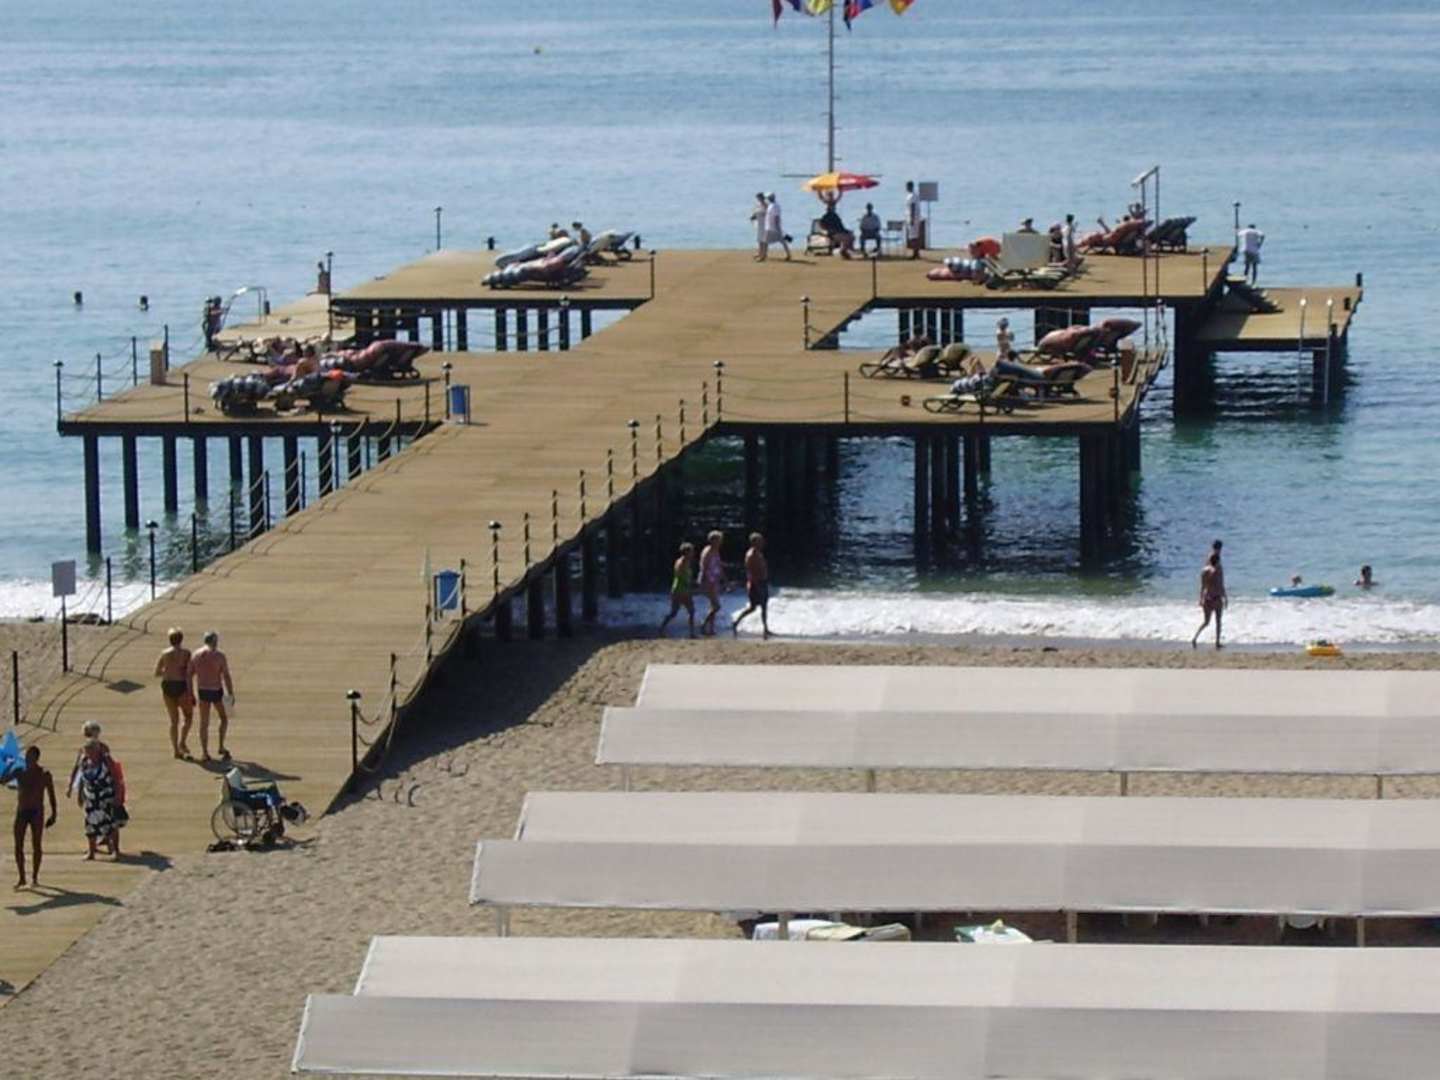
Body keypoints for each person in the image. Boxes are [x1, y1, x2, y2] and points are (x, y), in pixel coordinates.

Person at [68, 722, 125, 860]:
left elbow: (116, 776)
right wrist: (77, 791)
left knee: (111, 824)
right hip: (91, 798)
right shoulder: (84, 759)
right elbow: (80, 774)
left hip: (106, 796)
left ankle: (115, 850)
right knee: (91, 825)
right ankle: (91, 851)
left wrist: (118, 794)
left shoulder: (105, 757)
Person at [13, 746, 57, 889]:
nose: (27, 759)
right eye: (26, 756)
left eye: (31, 757)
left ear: (37, 758)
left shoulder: (44, 774)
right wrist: (8, 767)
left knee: (36, 844)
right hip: (22, 811)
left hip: (36, 812)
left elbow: (51, 795)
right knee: (18, 844)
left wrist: (54, 814)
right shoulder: (19, 772)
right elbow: (2, 779)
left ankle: (34, 877)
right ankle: (22, 878)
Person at [191, 630, 236, 762]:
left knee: (204, 723)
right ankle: (221, 745)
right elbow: (226, 675)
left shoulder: (196, 654)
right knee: (224, 717)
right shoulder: (220, 655)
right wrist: (231, 693)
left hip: (202, 690)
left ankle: (205, 752)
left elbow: (189, 674)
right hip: (216, 690)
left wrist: (190, 692)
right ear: (215, 641)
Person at [154, 627, 194, 760]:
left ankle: (176, 750)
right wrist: (191, 693)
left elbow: (157, 672)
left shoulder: (164, 653)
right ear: (181, 639)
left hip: (167, 685)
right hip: (181, 685)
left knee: (173, 721)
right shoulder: (186, 653)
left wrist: (168, 671)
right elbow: (189, 673)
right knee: (188, 717)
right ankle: (182, 741)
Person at [732, 533, 772, 639]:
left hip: (762, 582)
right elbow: (750, 572)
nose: (762, 543)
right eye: (760, 541)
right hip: (756, 583)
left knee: (763, 606)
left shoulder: (758, 553)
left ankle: (765, 628)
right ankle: (736, 622)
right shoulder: (751, 555)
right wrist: (756, 585)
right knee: (753, 607)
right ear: (754, 542)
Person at [659, 542, 697, 638]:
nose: (693, 553)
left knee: (677, 612)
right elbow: (680, 576)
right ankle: (691, 633)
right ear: (686, 552)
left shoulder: (685, 562)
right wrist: (688, 586)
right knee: (688, 611)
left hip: (681, 589)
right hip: (680, 590)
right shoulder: (681, 563)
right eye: (691, 551)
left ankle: (662, 628)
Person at [1191, 552, 1228, 649]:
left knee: (1206, 622)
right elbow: (1221, 585)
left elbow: (1202, 587)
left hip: (1207, 598)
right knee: (1218, 621)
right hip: (1216, 599)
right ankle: (1217, 642)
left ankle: (1195, 637)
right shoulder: (1218, 571)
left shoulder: (1204, 571)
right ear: (1218, 561)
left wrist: (1201, 599)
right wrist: (1225, 598)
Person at [699, 531, 726, 636]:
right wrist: (703, 581)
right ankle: (703, 625)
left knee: (713, 606)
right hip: (708, 581)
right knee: (716, 606)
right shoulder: (708, 551)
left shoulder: (716, 551)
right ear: (713, 540)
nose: (720, 542)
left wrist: (724, 579)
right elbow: (704, 567)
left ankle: (711, 628)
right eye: (719, 540)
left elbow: (718, 565)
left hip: (714, 580)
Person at [764, 193, 791, 261]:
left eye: (768, 198)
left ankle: (764, 255)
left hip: (773, 227)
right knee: (768, 241)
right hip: (770, 226)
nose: (767, 199)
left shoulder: (775, 206)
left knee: (768, 240)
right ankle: (764, 254)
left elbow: (776, 217)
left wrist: (778, 227)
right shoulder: (771, 205)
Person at [904, 181, 923, 259]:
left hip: (913, 218)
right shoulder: (911, 195)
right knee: (914, 236)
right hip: (911, 217)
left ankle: (915, 253)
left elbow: (912, 207)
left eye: (907, 186)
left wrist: (912, 218)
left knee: (913, 237)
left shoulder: (912, 196)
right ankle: (916, 252)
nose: (906, 188)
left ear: (910, 186)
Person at [750, 192, 769, 261]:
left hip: (765, 225)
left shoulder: (766, 205)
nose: (758, 199)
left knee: (764, 240)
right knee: (759, 240)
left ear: (762, 197)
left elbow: (768, 214)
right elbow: (756, 212)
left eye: (758, 198)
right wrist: (753, 216)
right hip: (759, 224)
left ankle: (763, 255)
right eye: (757, 198)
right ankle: (760, 253)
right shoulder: (758, 205)